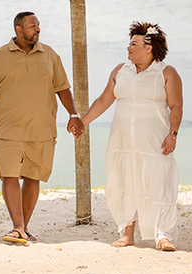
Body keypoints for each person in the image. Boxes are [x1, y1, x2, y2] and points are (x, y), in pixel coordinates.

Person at [74, 22, 183, 251]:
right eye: (129, 43)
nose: (128, 48)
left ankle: (162, 235)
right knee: (124, 182)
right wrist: (82, 122)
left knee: (158, 184)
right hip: (122, 142)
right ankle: (127, 233)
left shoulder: (166, 72)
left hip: (154, 142)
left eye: (134, 44)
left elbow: (176, 106)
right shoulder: (120, 71)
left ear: (149, 47)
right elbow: (104, 100)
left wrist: (173, 134)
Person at [0, 12, 82, 245]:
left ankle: (22, 228)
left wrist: (73, 114)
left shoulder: (50, 55)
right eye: (32, 25)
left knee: (33, 178)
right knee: (10, 175)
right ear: (18, 28)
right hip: (6, 131)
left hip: (42, 130)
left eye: (38, 26)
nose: (37, 29)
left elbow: (63, 88)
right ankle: (18, 226)